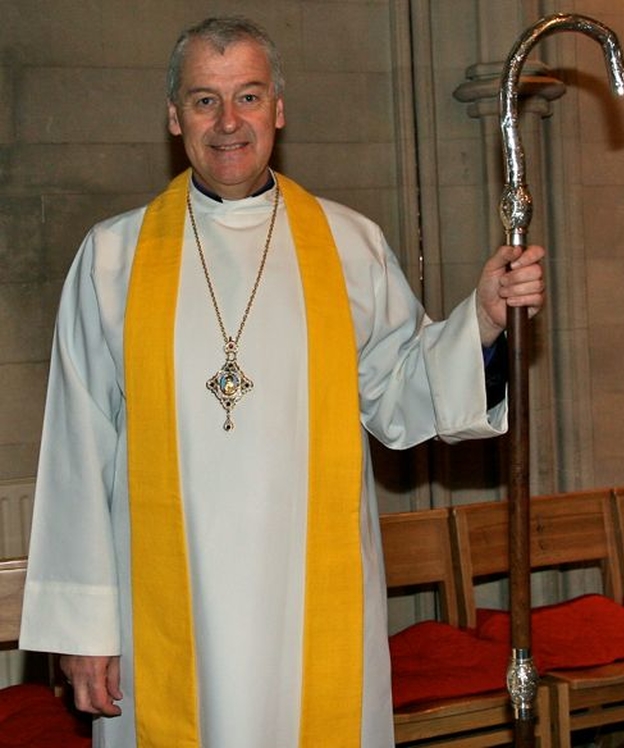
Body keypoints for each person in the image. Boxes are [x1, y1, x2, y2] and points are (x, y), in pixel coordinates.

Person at [19, 15, 545, 748]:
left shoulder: (348, 244)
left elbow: (402, 397)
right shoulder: (113, 258)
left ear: (279, 110)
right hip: (165, 616)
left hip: (310, 614)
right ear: (174, 117)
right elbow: (76, 456)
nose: (228, 122)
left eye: (249, 97)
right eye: (205, 100)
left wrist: (482, 322)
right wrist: (82, 629)